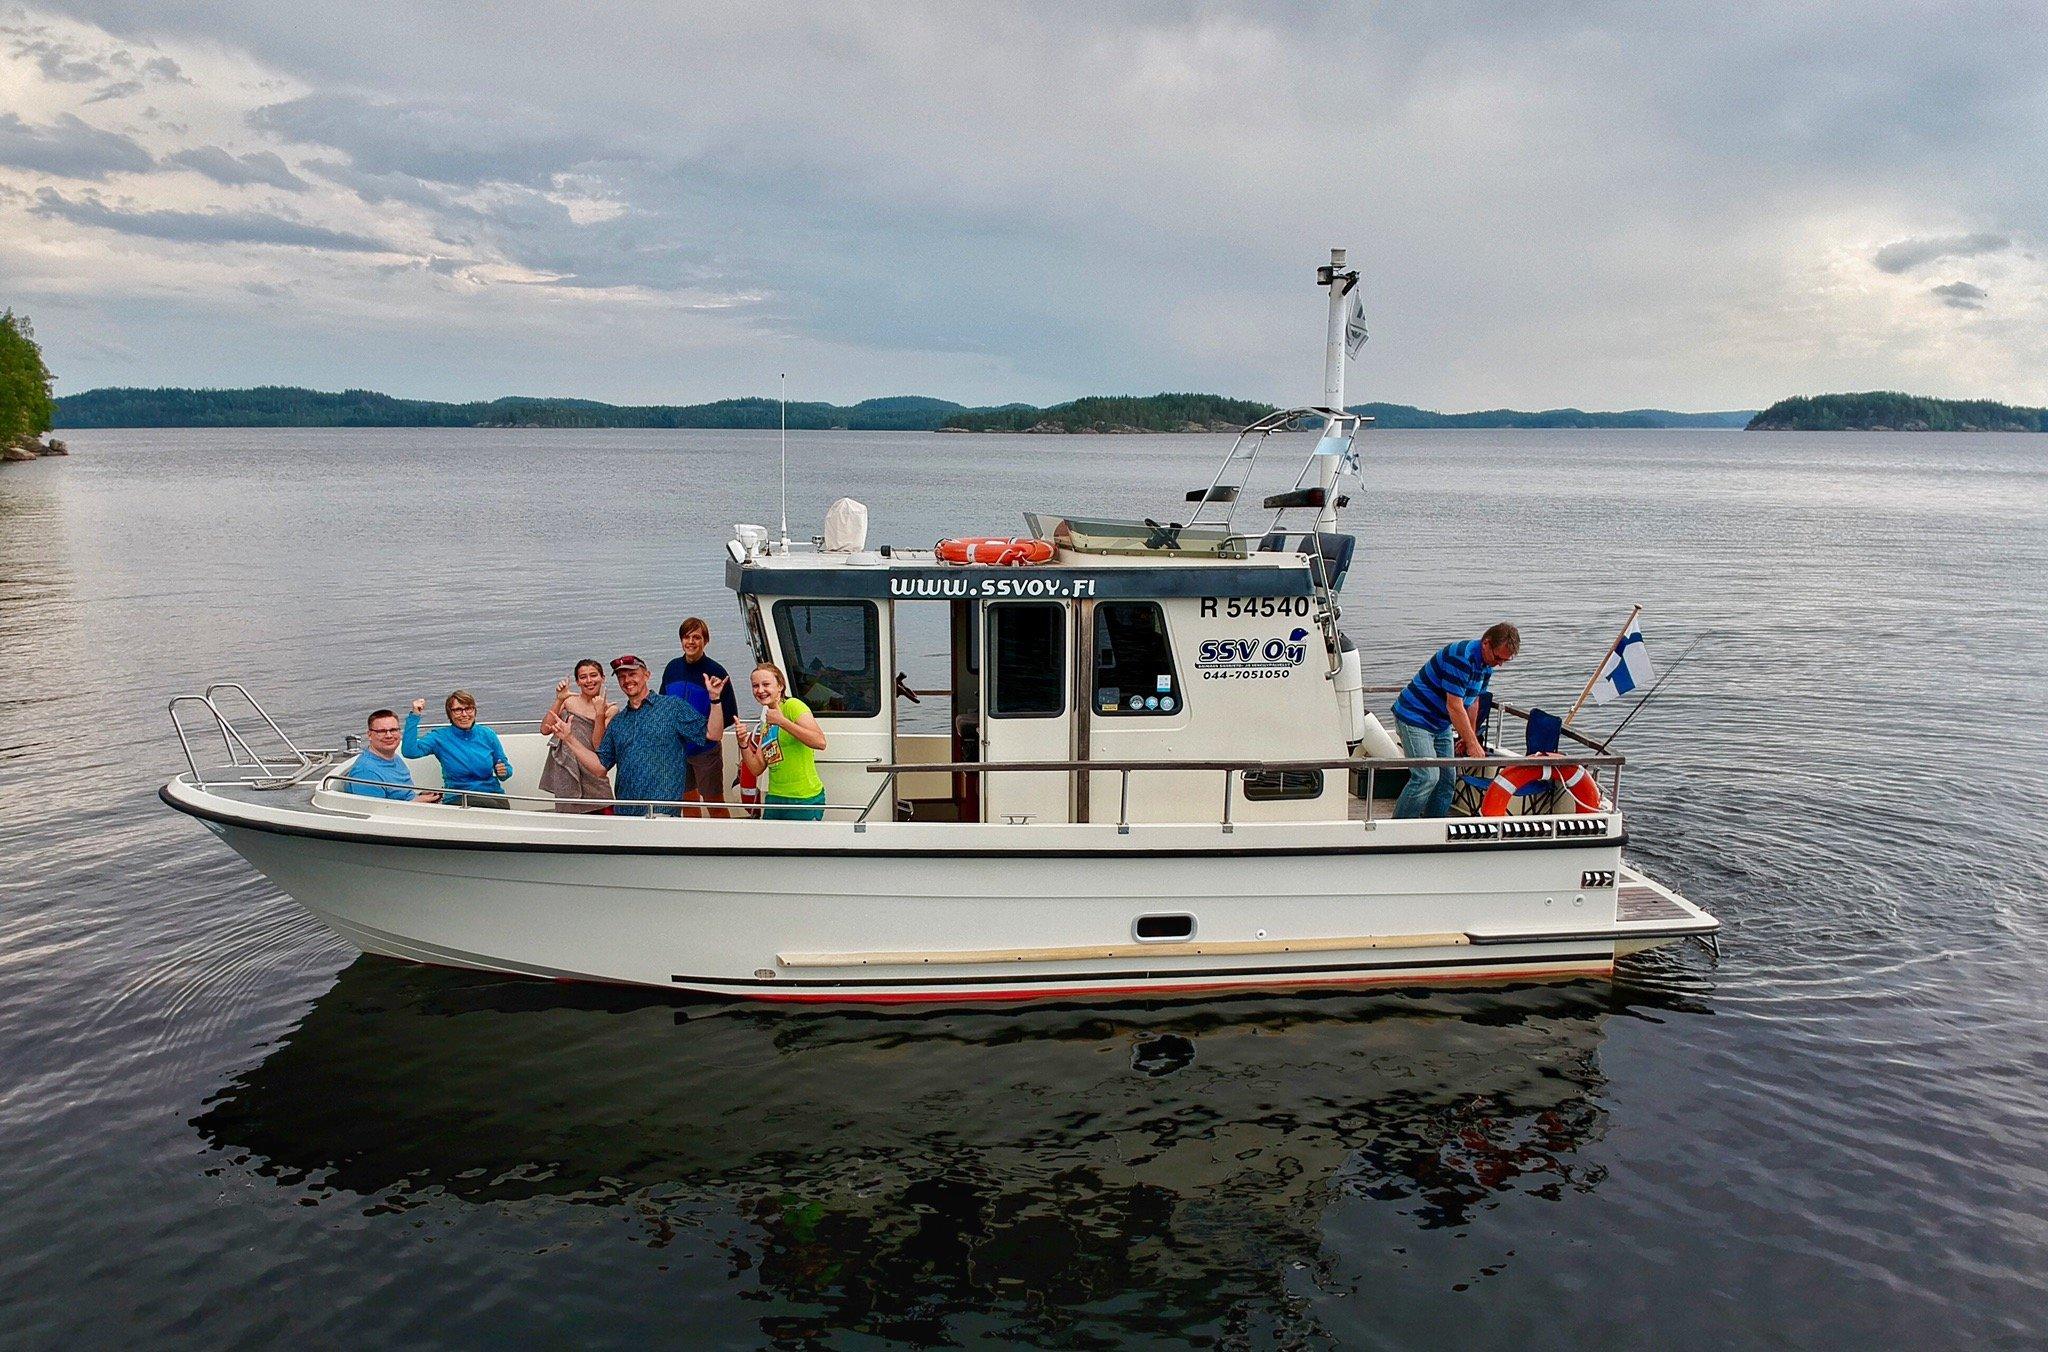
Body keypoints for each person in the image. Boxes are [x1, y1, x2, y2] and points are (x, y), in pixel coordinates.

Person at [555, 654, 726, 817]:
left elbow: (713, 734)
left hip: (663, 813)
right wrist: (569, 738)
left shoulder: (672, 707)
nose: (627, 680)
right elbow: (600, 768)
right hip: (626, 815)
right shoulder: (618, 722)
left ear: (646, 675)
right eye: (622, 676)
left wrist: (715, 699)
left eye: (632, 674)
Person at [1390, 622, 1519, 820]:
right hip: (1415, 716)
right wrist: (1472, 744)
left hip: (1440, 723)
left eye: (1505, 660)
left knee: (1446, 781)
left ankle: (1433, 828)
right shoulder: (1461, 658)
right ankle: (1399, 828)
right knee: (1426, 777)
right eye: (1498, 657)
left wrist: (1470, 736)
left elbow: (1473, 701)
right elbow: (1455, 706)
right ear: (1486, 643)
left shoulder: (1486, 666)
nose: (1499, 664)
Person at [661, 617, 740, 817]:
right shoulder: (672, 668)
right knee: (687, 800)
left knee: (715, 802)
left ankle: (724, 843)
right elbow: (663, 706)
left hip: (706, 750)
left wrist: (702, 731)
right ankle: (694, 842)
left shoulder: (716, 671)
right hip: (677, 750)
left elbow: (730, 714)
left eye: (696, 637)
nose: (691, 642)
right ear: (681, 640)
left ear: (705, 641)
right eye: (686, 637)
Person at [734, 661, 828, 821]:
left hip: (804, 799)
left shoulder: (793, 706)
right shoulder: (767, 718)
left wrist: (783, 722)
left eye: (766, 684)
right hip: (775, 798)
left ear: (780, 686)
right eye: (755, 686)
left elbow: (820, 742)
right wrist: (743, 742)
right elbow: (757, 768)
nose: (760, 690)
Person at [402, 690, 514, 808]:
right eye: (458, 710)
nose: (464, 714)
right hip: (459, 798)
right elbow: (410, 751)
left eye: (468, 709)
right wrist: (415, 716)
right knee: (493, 809)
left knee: (499, 807)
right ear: (450, 713)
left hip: (493, 795)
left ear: (475, 710)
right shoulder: (440, 737)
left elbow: (506, 768)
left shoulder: (487, 734)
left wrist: (503, 771)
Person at [538, 660, 617, 813]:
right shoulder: (568, 702)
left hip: (592, 770)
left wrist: (599, 714)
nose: (589, 681)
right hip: (568, 769)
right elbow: (545, 729)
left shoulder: (610, 709)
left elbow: (598, 745)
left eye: (593, 675)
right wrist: (559, 699)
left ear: (603, 678)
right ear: (577, 682)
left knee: (605, 815)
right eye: (583, 677)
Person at [340, 708, 440, 802]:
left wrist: (421, 795)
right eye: (382, 731)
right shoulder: (366, 773)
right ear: (369, 735)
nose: (389, 735)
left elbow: (402, 796)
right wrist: (416, 802)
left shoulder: (394, 758)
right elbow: (376, 813)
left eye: (393, 730)